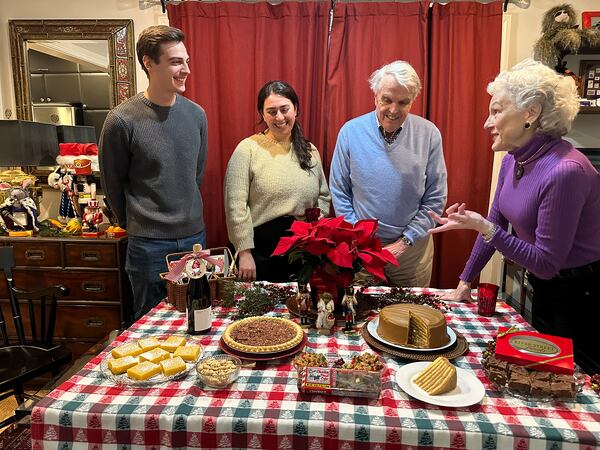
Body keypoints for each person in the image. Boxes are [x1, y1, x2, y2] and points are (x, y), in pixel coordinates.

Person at [428, 59, 600, 375]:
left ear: (530, 113)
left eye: (497, 111)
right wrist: (465, 281)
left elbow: (546, 262)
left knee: (570, 386)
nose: (486, 122)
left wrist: (486, 227)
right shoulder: (513, 160)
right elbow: (497, 219)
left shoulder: (565, 171)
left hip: (582, 297)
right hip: (547, 287)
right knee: (541, 376)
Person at [99, 25, 208, 321]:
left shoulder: (197, 115)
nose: (185, 69)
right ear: (149, 63)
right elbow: (112, 183)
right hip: (148, 245)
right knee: (149, 326)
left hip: (194, 239)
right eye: (175, 62)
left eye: (186, 61)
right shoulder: (121, 120)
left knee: (197, 319)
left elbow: (195, 175)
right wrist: (138, 223)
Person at [329, 60, 447, 287]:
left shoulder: (429, 134)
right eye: (387, 100)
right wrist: (361, 236)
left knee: (409, 317)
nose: (393, 110)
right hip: (362, 248)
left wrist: (405, 241)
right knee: (359, 315)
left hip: (412, 252)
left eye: (403, 102)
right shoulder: (350, 132)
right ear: (375, 96)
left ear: (413, 100)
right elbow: (340, 191)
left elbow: (435, 197)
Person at [224, 80, 331, 282]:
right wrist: (244, 252)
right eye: (272, 111)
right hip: (259, 252)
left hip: (301, 252)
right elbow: (235, 205)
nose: (279, 117)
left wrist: (314, 237)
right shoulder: (247, 149)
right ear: (262, 114)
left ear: (296, 109)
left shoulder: (309, 151)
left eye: (285, 109)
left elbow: (324, 196)